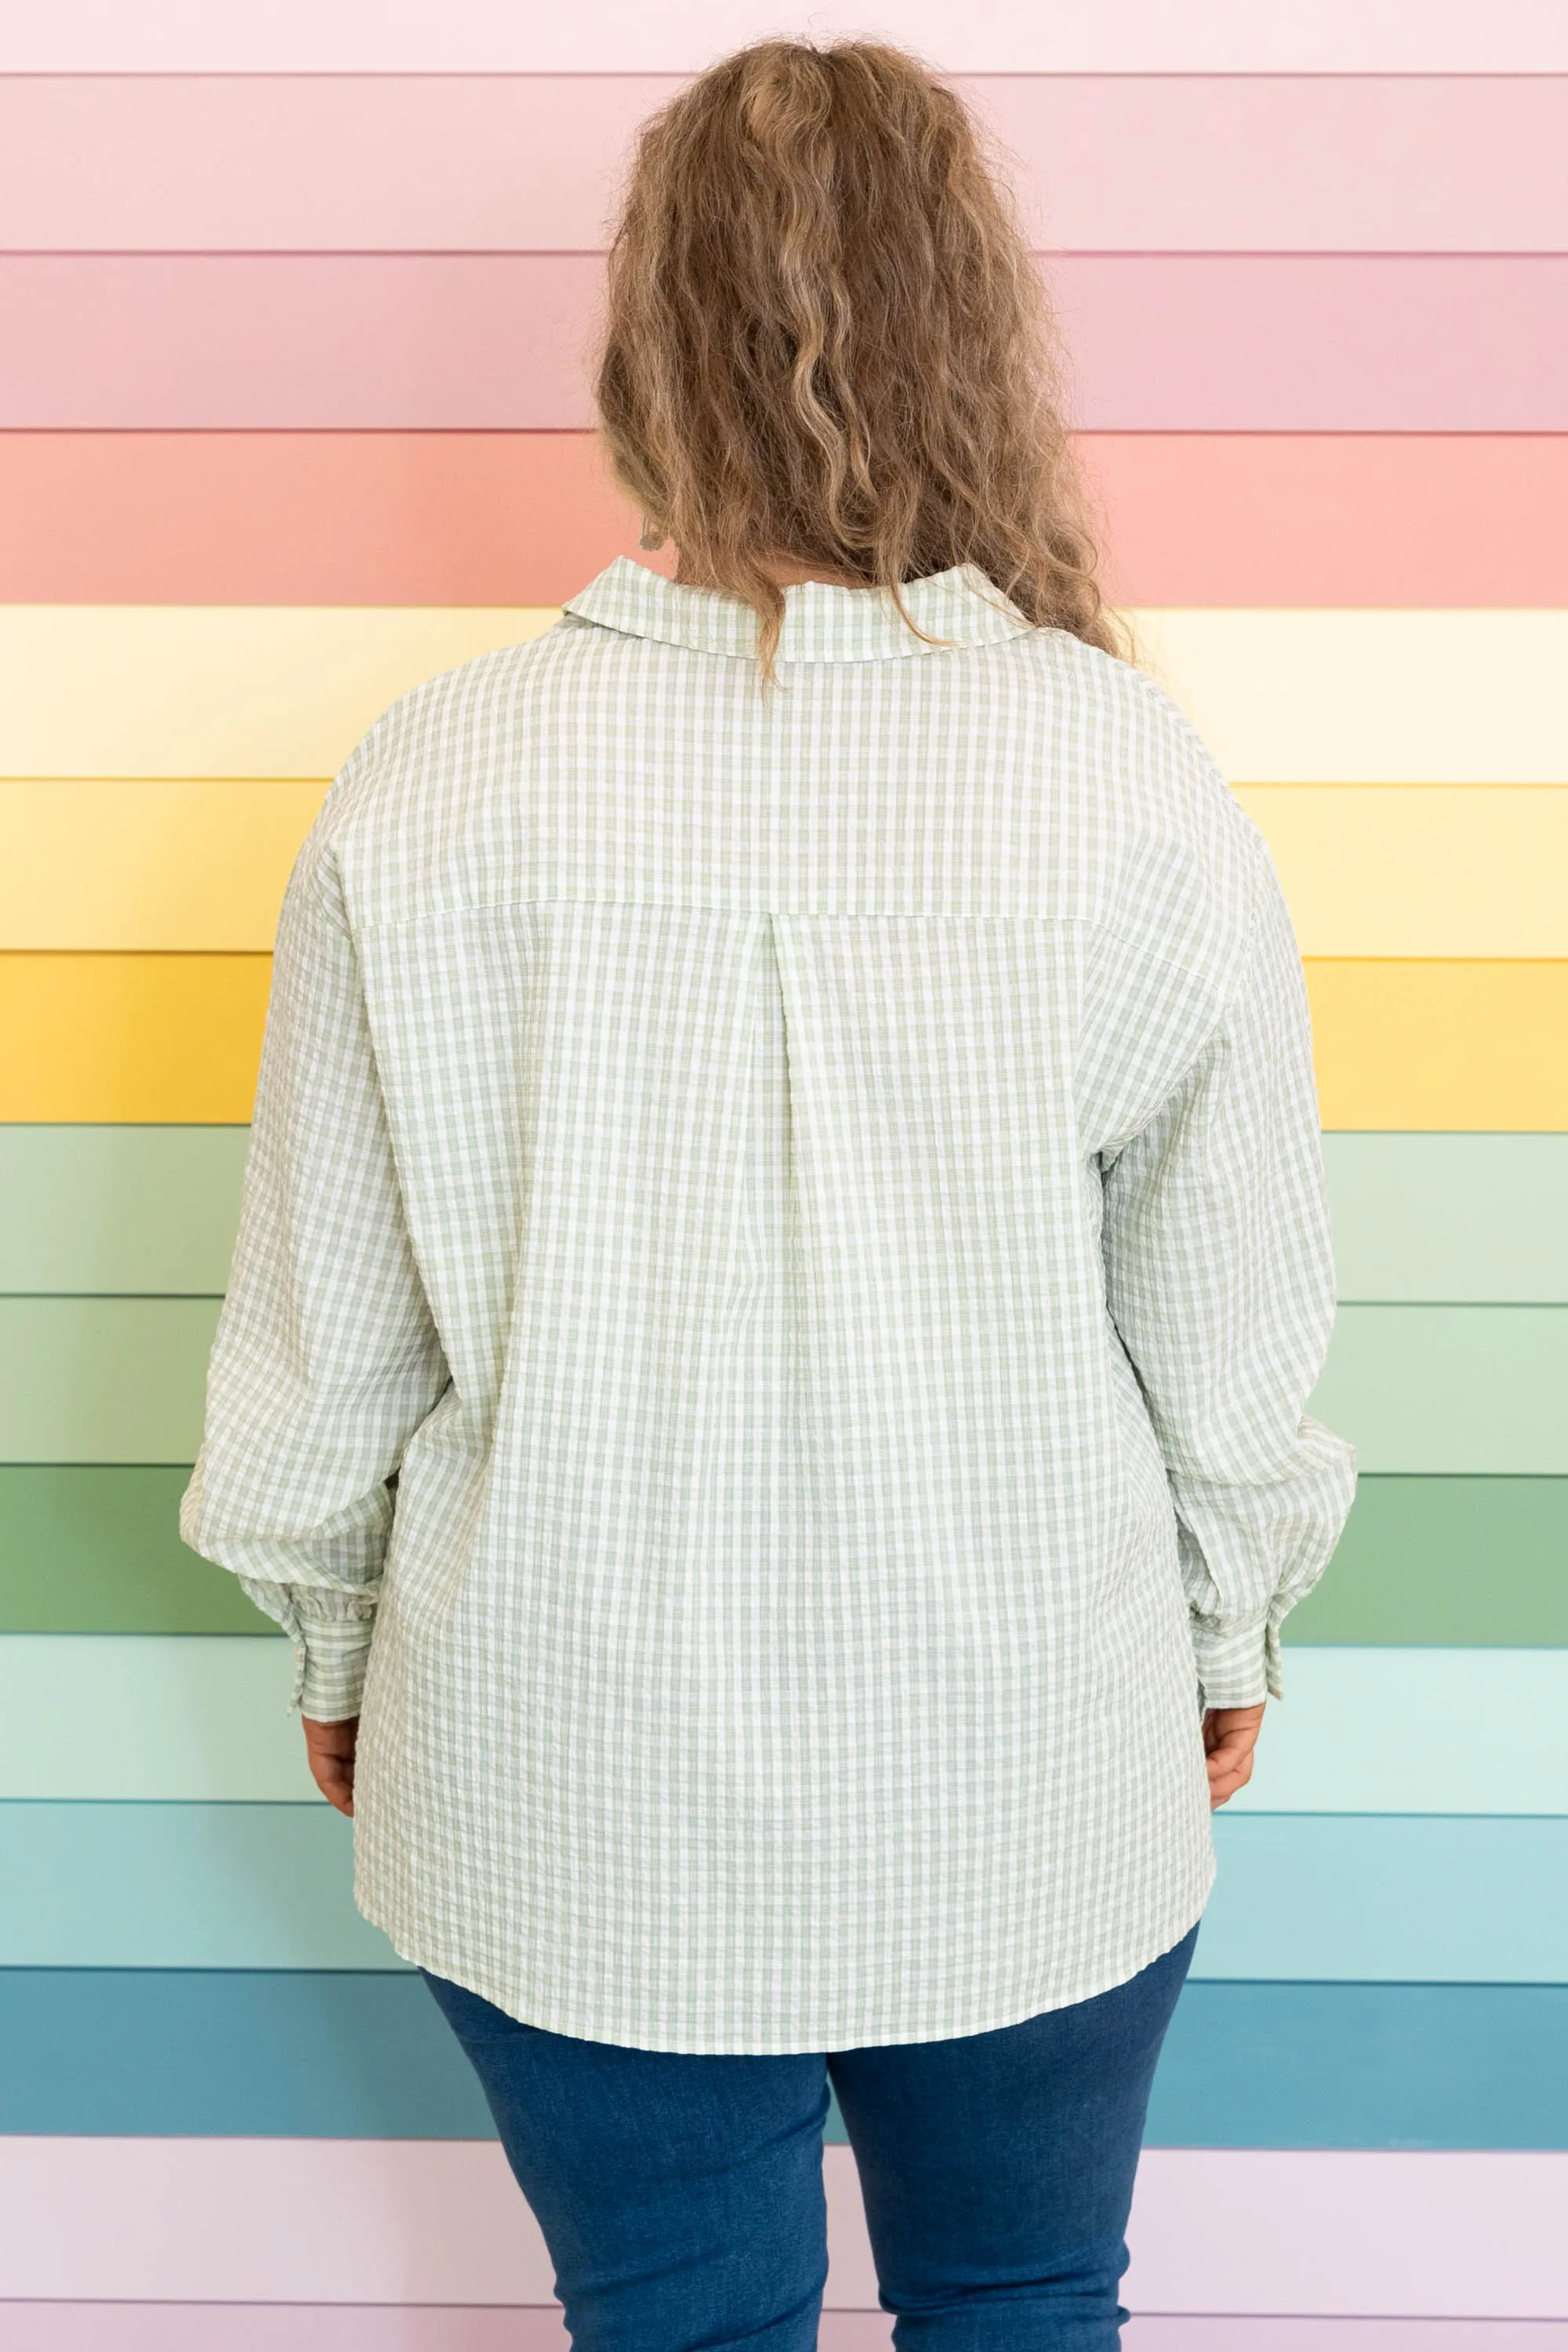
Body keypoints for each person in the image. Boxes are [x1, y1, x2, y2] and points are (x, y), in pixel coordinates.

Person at [180, 38, 1356, 2350]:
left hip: (550, 1754)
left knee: (677, 2321)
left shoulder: (436, 784)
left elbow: (331, 1330)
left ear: (644, 351)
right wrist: (1224, 1630)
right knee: (1024, 2299)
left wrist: (333, 1638)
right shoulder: (1122, 776)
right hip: (1031, 1745)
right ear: (980, 335)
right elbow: (1229, 1333)